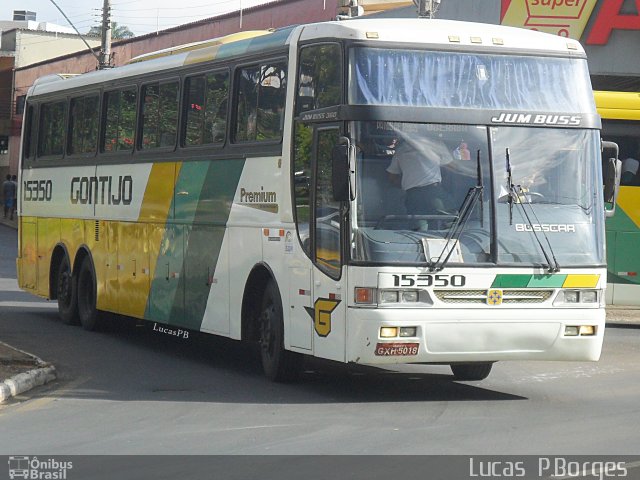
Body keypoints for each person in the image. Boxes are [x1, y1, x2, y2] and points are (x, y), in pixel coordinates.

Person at [386, 137, 447, 215]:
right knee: (446, 217)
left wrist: (405, 184)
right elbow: (451, 166)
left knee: (418, 219)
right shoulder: (436, 144)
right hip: (433, 190)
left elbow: (392, 177)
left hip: (412, 193)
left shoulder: (401, 150)